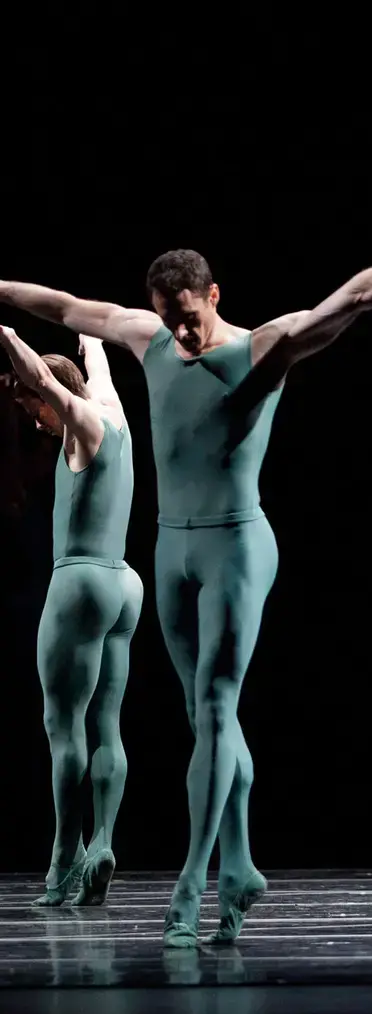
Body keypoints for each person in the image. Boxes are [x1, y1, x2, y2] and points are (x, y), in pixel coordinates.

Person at [0, 241, 372, 945]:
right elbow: (62, 307)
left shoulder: (264, 347)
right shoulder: (147, 337)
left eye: (189, 316)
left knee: (215, 705)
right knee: (205, 715)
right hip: (171, 546)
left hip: (236, 545)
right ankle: (240, 864)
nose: (181, 332)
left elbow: (357, 296)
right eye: (168, 318)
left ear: (213, 296)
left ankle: (194, 883)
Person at [0, 326, 143, 908]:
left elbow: (39, 376)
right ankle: (103, 841)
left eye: (33, 409)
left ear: (52, 395)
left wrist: (6, 330)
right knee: (107, 723)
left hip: (80, 580)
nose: (34, 420)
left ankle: (64, 862)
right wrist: (90, 332)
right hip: (124, 584)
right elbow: (97, 356)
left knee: (63, 726)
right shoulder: (113, 409)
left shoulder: (81, 425)